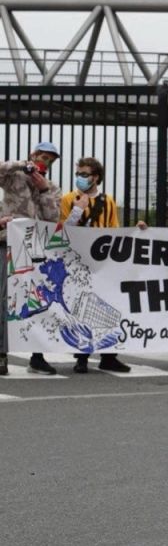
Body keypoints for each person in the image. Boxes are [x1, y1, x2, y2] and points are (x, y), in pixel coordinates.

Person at [60, 156, 147, 374]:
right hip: (79, 261)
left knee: (108, 305)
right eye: (78, 174)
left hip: (103, 261)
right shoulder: (68, 199)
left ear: (96, 177)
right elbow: (63, 230)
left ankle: (109, 356)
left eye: (84, 174)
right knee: (83, 306)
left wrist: (137, 230)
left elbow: (114, 231)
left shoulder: (108, 201)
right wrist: (77, 210)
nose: (80, 178)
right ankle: (81, 357)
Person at [0, 142, 64, 376]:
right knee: (5, 299)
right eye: (42, 157)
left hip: (35, 247)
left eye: (50, 160)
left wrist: (44, 191)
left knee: (40, 299)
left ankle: (37, 357)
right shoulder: (14, 177)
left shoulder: (52, 188)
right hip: (9, 242)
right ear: (33, 155)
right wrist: (21, 165)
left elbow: (53, 219)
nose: (45, 162)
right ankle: (1, 354)